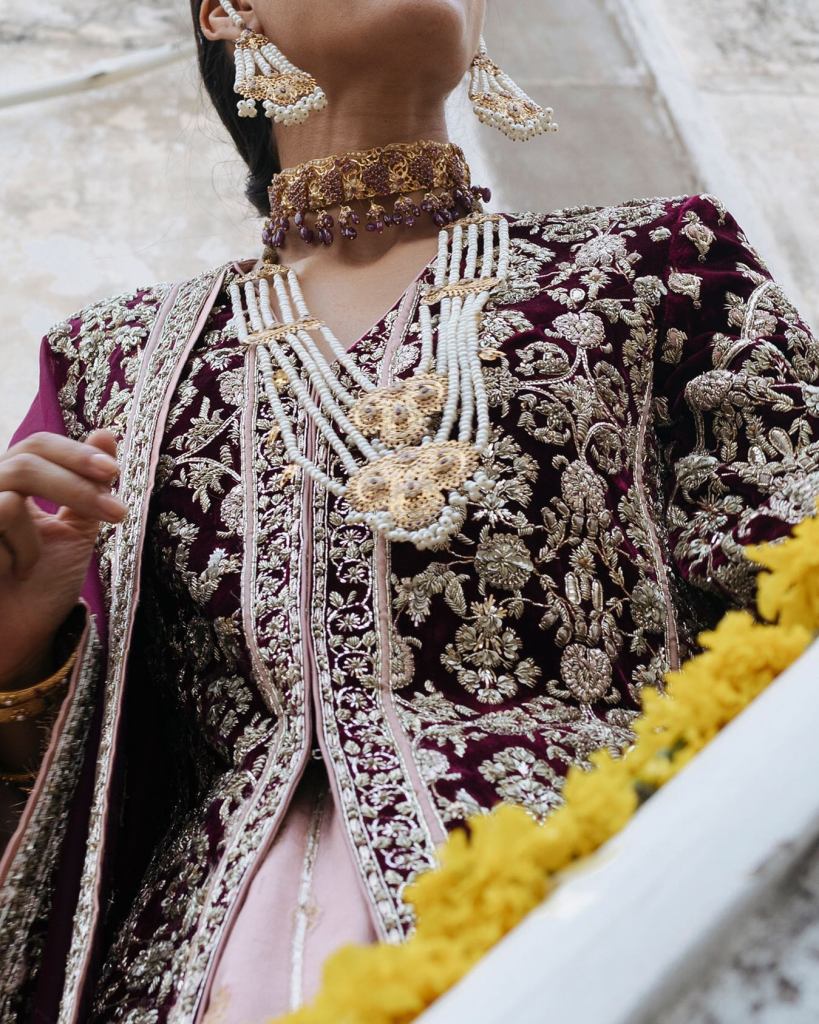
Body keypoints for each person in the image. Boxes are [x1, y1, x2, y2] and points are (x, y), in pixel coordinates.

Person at [1, 0, 818, 1020]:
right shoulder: (114, 361)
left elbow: (795, 625)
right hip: (196, 970)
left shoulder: (655, 267)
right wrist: (20, 648)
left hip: (587, 930)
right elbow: (90, 813)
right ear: (228, 12)